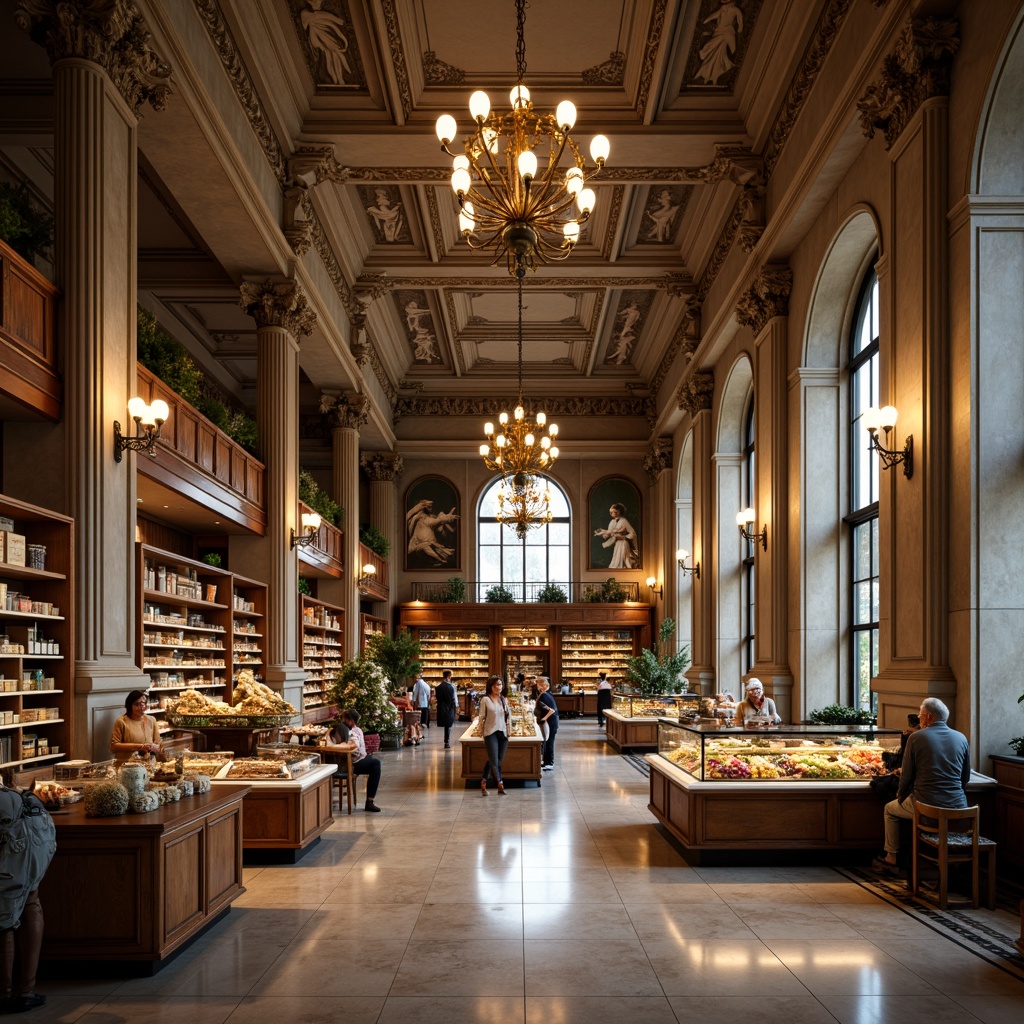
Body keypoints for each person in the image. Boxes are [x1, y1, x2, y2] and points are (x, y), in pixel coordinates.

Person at [872, 698, 971, 875]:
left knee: (889, 809)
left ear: (929, 717)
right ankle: (955, 861)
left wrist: (900, 795)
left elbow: (907, 775)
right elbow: (965, 777)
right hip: (959, 809)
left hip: (927, 808)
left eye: (920, 714)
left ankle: (891, 858)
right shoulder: (961, 738)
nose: (919, 718)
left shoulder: (916, 738)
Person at [0, 775, 56, 1014]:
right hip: (37, 833)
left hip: (17, 838)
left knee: (3, 917)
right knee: (30, 900)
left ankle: (4, 996)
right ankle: (26, 992)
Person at [338, 710, 383, 812]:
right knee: (376, 764)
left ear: (351, 721)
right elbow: (355, 750)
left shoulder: (355, 731)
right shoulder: (349, 731)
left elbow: (359, 749)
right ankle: (369, 801)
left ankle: (370, 801)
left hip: (358, 758)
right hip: (352, 762)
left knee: (375, 763)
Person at [109, 690, 168, 763]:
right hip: (127, 766)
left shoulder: (151, 720)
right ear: (129, 705)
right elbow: (114, 746)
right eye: (137, 704)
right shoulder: (121, 722)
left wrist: (153, 747)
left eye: (143, 704)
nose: (141, 707)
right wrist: (140, 747)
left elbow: (158, 743)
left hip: (148, 765)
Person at [478, 676, 510, 795]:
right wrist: (481, 733)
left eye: (501, 685)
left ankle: (483, 780)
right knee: (494, 761)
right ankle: (500, 783)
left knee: (497, 760)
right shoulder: (485, 700)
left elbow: (508, 717)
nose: (499, 687)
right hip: (490, 732)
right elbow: (481, 717)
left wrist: (509, 732)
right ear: (491, 686)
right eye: (496, 685)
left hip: (503, 733)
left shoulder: (503, 699)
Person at [593, 503, 639, 569]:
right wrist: (602, 532)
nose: (611, 514)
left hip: (623, 543)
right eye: (611, 512)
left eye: (613, 512)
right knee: (616, 559)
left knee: (622, 560)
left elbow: (633, 533)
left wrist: (624, 537)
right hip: (617, 543)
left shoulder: (624, 521)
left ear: (618, 512)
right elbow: (610, 532)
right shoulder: (612, 521)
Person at [535, 677, 559, 771]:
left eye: (537, 683)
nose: (536, 685)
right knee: (546, 741)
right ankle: (546, 762)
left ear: (541, 685)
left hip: (551, 722)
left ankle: (550, 763)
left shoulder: (544, 695)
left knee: (549, 742)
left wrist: (543, 719)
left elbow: (551, 710)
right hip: (552, 721)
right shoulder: (546, 694)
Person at [435, 670, 458, 749]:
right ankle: (447, 741)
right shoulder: (452, 686)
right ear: (449, 676)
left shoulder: (438, 687)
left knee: (446, 725)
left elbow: (437, 698)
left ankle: (446, 741)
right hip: (450, 707)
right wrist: (456, 706)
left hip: (441, 707)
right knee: (448, 725)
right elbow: (453, 698)